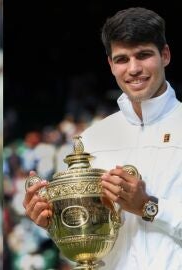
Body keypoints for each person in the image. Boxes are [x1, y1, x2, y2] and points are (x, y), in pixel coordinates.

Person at [23, 7, 182, 270]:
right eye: (122, 59)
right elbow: (84, 248)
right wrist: (54, 223)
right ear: (110, 65)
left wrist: (148, 206)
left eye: (143, 55)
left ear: (165, 55)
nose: (134, 69)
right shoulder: (91, 140)